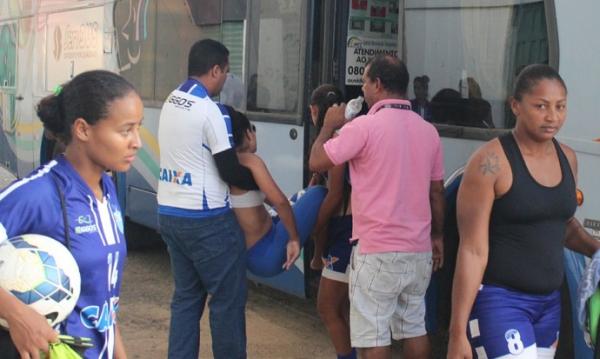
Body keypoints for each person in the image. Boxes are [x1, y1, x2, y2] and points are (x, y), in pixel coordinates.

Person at [447, 64, 600, 359]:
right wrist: (456, 333)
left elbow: (563, 225)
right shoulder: (490, 162)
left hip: (548, 305)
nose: (552, 116)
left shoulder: (567, 158)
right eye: (541, 106)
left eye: (560, 106)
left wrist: (597, 249)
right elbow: (472, 250)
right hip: (499, 301)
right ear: (515, 105)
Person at [309, 55, 446, 359]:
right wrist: (437, 236)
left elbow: (316, 162)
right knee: (414, 327)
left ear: (378, 85)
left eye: (365, 82)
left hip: (376, 250)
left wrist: (328, 126)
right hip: (418, 249)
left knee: (373, 336)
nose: (363, 89)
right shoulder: (429, 131)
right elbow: (436, 192)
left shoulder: (364, 128)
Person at [0, 70, 143, 359]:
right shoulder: (39, 194)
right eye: (125, 130)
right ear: (83, 130)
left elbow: (104, 301)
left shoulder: (108, 189)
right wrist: (16, 314)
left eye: (138, 128)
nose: (137, 142)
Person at [157, 39, 258, 359]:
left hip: (170, 214)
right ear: (215, 70)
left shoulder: (172, 100)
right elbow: (229, 169)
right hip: (208, 221)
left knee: (186, 300)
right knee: (227, 303)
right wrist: (258, 180)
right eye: (226, 72)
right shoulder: (211, 111)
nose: (227, 79)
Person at [226, 106, 326, 277]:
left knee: (299, 196)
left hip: (252, 254)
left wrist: (303, 195)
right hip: (268, 251)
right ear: (248, 133)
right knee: (319, 192)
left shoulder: (227, 165)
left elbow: (275, 202)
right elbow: (279, 201)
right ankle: (320, 256)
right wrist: (294, 239)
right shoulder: (250, 161)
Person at [306, 84, 356, 359]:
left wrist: (314, 226)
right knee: (342, 307)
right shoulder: (350, 132)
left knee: (327, 307)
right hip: (346, 232)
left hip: (344, 232)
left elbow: (336, 195)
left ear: (315, 110)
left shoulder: (337, 137)